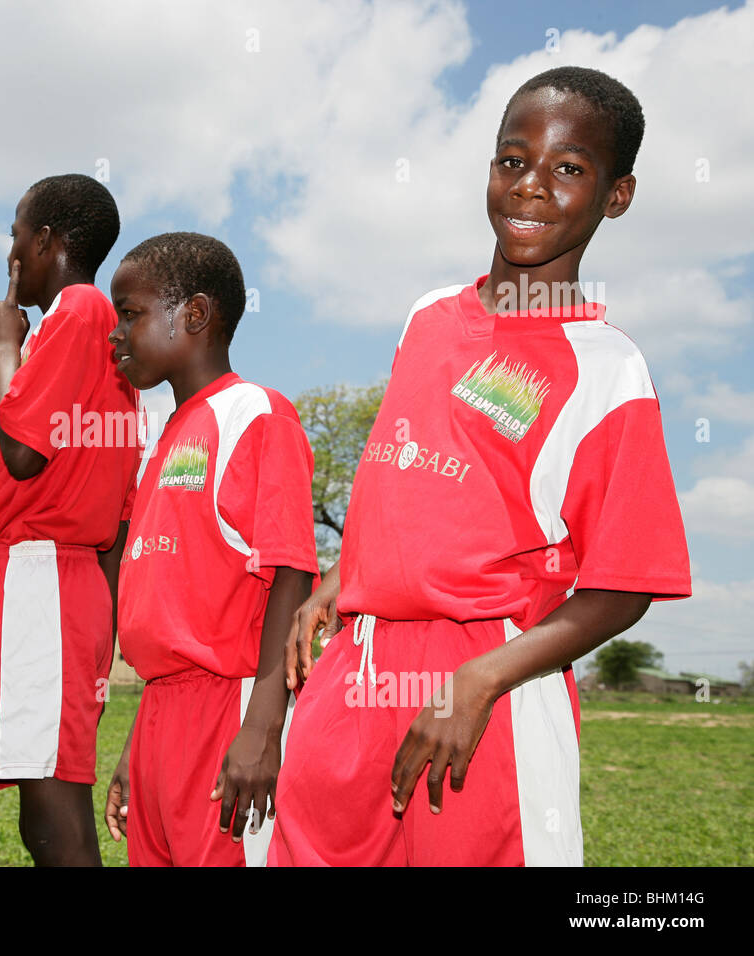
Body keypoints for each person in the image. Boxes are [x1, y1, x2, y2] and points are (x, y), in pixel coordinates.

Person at [270, 66, 691, 866]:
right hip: (352, 672)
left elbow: (625, 583)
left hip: (485, 688)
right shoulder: (429, 316)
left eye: (568, 169)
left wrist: (479, 681)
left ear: (618, 195)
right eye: (512, 160)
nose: (530, 187)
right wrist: (338, 579)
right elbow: (406, 484)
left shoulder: (607, 371)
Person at [101, 233, 317, 866]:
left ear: (193, 314)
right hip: (163, 711)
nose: (115, 334)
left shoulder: (256, 414)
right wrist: (135, 748)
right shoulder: (165, 435)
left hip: (231, 709)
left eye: (130, 313)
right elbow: (169, 629)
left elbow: (293, 574)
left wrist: (263, 726)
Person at [0, 173, 140, 865]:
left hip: (42, 574)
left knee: (49, 793)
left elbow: (24, 450)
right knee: (47, 784)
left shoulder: (79, 309)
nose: (10, 255)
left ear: (44, 241)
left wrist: (3, 347)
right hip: (66, 579)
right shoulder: (99, 328)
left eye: (15, 235)